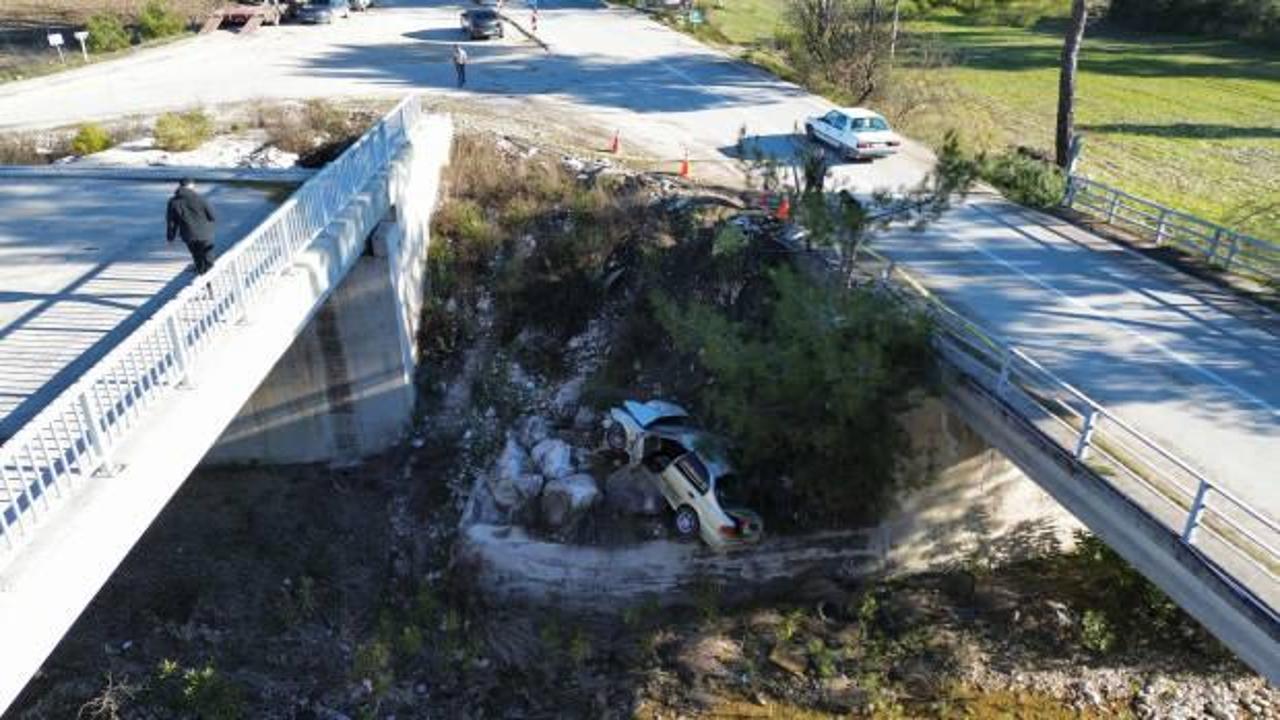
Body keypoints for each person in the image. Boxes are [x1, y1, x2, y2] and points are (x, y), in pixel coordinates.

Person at [166, 178, 217, 274]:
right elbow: (212, 216)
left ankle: (202, 274)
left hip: (188, 234)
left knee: (197, 256)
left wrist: (170, 237)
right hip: (205, 233)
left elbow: (171, 221)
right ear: (191, 185)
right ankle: (209, 272)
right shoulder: (201, 199)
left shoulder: (173, 202)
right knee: (207, 253)